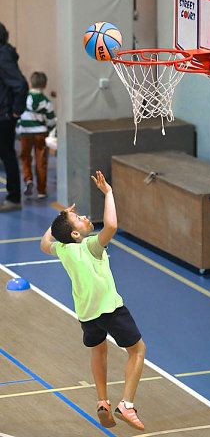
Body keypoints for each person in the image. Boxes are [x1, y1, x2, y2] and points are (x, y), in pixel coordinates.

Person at [40, 171, 146, 430]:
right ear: (75, 234)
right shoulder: (91, 247)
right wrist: (109, 193)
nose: (84, 217)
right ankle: (126, 405)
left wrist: (57, 222)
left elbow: (45, 242)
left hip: (87, 315)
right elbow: (110, 226)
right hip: (110, 308)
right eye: (78, 218)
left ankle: (102, 402)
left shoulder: (62, 249)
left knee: (98, 351)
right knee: (137, 350)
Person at [0, 22, 28, 212]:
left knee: (7, 154)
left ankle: (14, 197)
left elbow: (20, 84)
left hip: (3, 115)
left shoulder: (3, 56)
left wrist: (16, 110)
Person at [16, 71, 56, 199]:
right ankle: (41, 190)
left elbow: (18, 114)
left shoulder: (23, 97)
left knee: (25, 157)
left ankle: (28, 180)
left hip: (25, 132)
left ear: (30, 84)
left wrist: (18, 128)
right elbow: (51, 120)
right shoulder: (46, 101)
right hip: (41, 133)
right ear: (45, 85)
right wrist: (49, 129)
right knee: (41, 160)